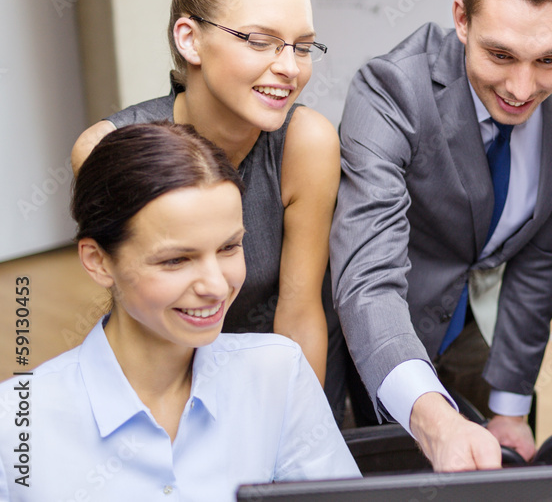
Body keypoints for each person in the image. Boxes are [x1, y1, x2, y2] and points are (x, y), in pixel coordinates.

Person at [331, 0, 552, 469]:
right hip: (390, 322)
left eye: (549, 59)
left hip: (488, 323)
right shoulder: (389, 91)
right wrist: (432, 420)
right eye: (500, 55)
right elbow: (367, 279)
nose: (523, 89)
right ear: (461, 19)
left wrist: (509, 406)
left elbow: (543, 252)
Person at [0, 123, 359, 500]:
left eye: (229, 248)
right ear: (99, 261)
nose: (217, 286)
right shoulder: (15, 422)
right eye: (176, 260)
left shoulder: (278, 374)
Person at [70, 0, 341, 408]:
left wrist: (292, 436)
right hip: (157, 379)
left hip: (273, 381)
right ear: (189, 40)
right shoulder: (108, 149)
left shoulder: (307, 143)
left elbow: (299, 315)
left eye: (302, 46)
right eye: (260, 41)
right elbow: (137, 322)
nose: (289, 67)